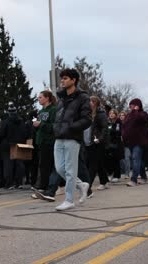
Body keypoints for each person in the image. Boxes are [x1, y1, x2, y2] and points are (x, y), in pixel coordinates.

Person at [52, 68, 91, 211]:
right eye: (61, 78)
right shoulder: (61, 98)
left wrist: (71, 127)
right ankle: (81, 185)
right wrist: (56, 129)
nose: (62, 80)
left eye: (65, 78)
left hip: (72, 138)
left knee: (70, 170)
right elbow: (58, 117)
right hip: (59, 137)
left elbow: (87, 119)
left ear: (73, 80)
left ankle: (69, 200)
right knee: (60, 168)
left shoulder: (83, 97)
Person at [0, 102, 28, 189]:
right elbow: (25, 133)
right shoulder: (21, 121)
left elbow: (1, 134)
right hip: (19, 144)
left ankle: (9, 183)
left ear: (8, 112)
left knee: (8, 165)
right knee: (19, 164)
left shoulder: (5, 122)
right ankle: (19, 183)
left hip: (8, 145)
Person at [33, 90, 58, 191]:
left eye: (40, 97)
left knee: (49, 165)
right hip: (41, 141)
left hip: (50, 141)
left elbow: (54, 126)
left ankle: (47, 186)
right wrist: (36, 125)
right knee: (42, 164)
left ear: (47, 98)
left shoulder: (53, 110)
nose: (39, 99)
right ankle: (43, 185)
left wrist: (41, 124)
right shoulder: (40, 111)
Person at [122, 98, 148, 187]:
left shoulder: (142, 114)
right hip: (130, 141)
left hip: (139, 141)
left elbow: (140, 119)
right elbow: (125, 126)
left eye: (132, 105)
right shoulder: (128, 115)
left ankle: (134, 179)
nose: (131, 107)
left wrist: (135, 111)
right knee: (138, 160)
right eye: (130, 105)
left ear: (137, 105)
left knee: (135, 159)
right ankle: (144, 177)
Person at [85, 96, 110, 191]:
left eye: (91, 101)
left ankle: (88, 186)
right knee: (98, 163)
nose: (89, 103)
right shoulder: (88, 114)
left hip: (98, 142)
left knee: (92, 165)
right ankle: (104, 181)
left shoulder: (101, 114)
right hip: (89, 141)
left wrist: (100, 138)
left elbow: (104, 128)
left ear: (95, 103)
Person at [106, 109, 124, 183]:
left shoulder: (118, 122)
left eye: (113, 113)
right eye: (110, 113)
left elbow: (118, 132)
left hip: (117, 143)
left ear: (116, 115)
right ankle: (110, 174)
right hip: (109, 143)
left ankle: (117, 176)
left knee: (116, 160)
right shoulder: (108, 122)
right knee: (110, 160)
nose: (111, 114)